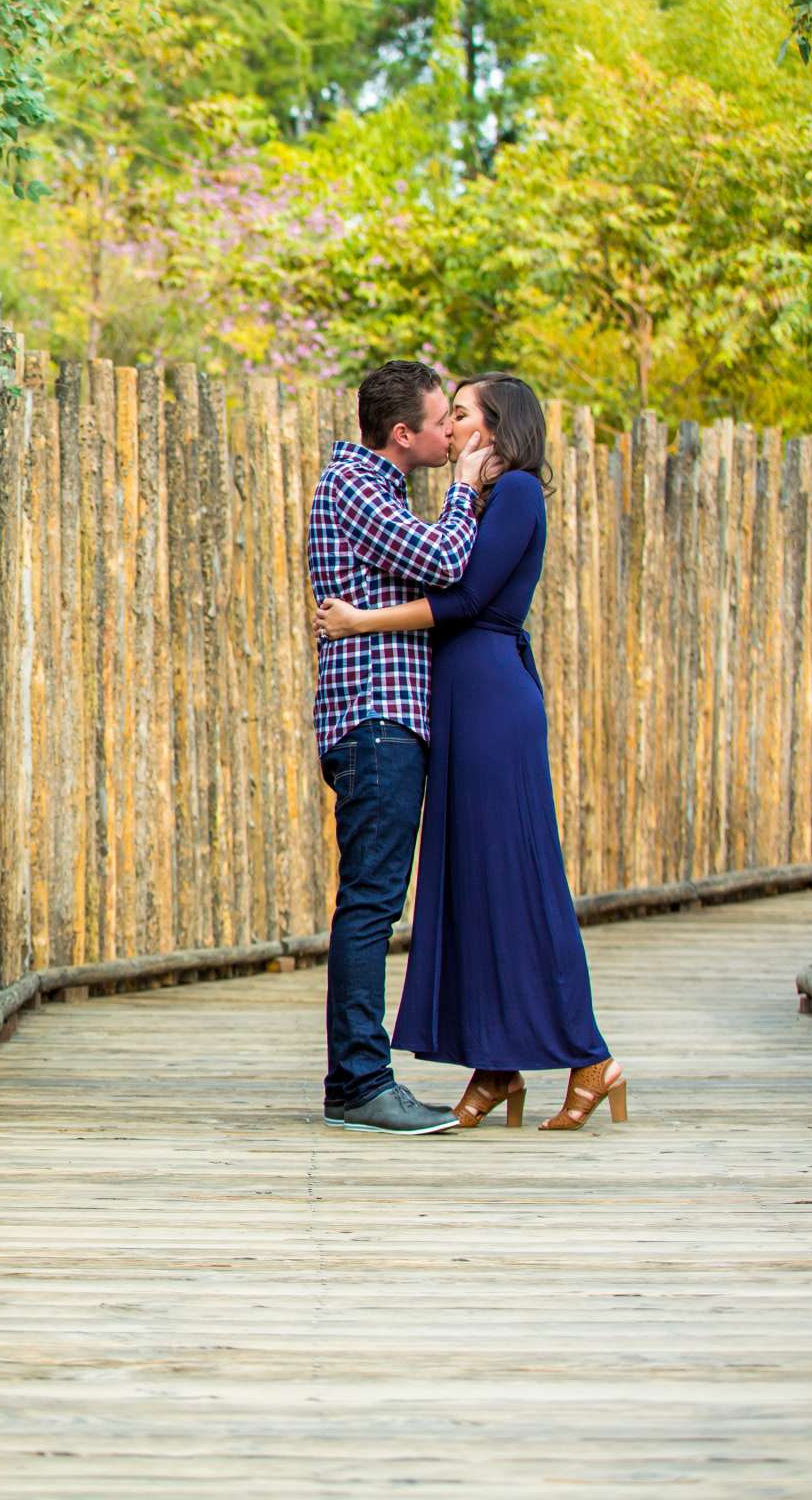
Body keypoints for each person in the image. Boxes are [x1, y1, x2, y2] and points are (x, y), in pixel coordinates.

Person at [316, 374, 626, 1132]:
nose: (449, 429)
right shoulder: (439, 497)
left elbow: (463, 592)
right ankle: (494, 1067)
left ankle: (589, 1056)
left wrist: (360, 622)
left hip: (485, 700)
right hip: (443, 705)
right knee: (468, 888)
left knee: (517, 877)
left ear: (495, 427)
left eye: (460, 415)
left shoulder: (515, 493)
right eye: (442, 416)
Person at [306, 360, 494, 1135]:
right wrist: (465, 492)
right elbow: (447, 564)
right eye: (440, 421)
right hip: (375, 724)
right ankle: (359, 1083)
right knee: (371, 906)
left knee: (373, 903)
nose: (452, 432)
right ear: (402, 434)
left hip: (386, 724)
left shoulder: (378, 489)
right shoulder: (353, 487)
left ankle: (358, 1079)